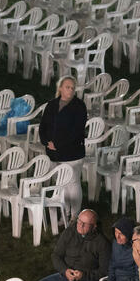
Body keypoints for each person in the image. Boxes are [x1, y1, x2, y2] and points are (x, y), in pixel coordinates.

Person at [31, 209, 110, 281]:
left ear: (94, 226)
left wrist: (83, 275)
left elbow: (104, 271)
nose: (80, 225)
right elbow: (56, 255)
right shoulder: (69, 232)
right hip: (66, 276)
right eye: (79, 221)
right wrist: (64, 271)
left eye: (85, 224)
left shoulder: (103, 243)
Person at [38, 75, 87, 218]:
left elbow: (76, 131)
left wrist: (58, 144)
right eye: (67, 87)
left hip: (73, 153)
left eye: (73, 88)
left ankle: (74, 217)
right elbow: (43, 126)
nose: (71, 90)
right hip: (55, 154)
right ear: (60, 88)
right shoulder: (52, 105)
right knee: (62, 185)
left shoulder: (79, 106)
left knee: (73, 184)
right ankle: (64, 215)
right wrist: (47, 142)